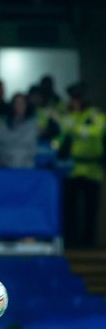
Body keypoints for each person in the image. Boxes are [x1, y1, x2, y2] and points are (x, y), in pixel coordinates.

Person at [59, 82, 105, 247]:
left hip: (92, 169)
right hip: (72, 169)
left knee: (90, 209)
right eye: (73, 98)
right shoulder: (69, 114)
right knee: (71, 209)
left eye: (77, 97)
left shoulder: (95, 114)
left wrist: (76, 129)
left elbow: (97, 131)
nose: (74, 101)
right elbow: (63, 131)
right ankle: (71, 242)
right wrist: (77, 129)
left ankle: (88, 242)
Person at [0, 93, 39, 168]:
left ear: (26, 105)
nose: (20, 106)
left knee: (20, 154)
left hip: (26, 162)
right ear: (13, 105)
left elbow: (28, 140)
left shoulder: (32, 122)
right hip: (7, 161)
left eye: (22, 103)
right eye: (17, 103)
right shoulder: (5, 122)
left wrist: (10, 138)